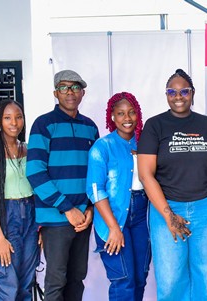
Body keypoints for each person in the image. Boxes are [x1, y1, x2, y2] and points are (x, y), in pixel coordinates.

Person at [138, 69, 207, 301]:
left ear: (192, 93)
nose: (178, 96)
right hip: (167, 206)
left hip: (206, 207)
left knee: (206, 273)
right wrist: (169, 215)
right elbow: (146, 175)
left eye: (184, 91)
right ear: (166, 94)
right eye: (172, 92)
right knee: (171, 276)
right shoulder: (155, 125)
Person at [27, 70, 98, 301]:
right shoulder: (43, 124)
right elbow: (35, 172)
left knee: (77, 278)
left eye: (75, 87)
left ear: (82, 93)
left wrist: (90, 208)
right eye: (64, 87)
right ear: (55, 93)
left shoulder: (90, 127)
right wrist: (67, 208)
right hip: (56, 217)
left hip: (83, 218)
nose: (70, 92)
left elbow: (95, 173)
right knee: (56, 280)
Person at [86, 92, 151, 301]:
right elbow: (95, 190)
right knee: (124, 281)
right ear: (112, 116)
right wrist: (114, 228)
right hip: (112, 218)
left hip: (141, 218)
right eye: (121, 113)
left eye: (132, 112)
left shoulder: (145, 144)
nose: (127, 118)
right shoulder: (102, 147)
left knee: (140, 278)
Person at [0, 100, 37, 301]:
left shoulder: (28, 149)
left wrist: (40, 226)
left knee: (26, 284)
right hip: (4, 216)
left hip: (30, 216)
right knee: (8, 286)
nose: (14, 123)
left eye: (18, 117)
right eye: (8, 118)